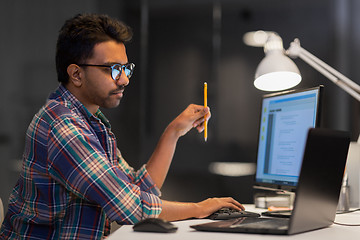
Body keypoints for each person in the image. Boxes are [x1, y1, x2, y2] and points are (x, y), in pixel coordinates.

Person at [0, 13, 244, 239]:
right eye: (113, 69)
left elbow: (138, 189)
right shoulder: (64, 126)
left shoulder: (91, 121)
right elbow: (126, 206)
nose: (125, 79)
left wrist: (174, 132)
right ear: (76, 74)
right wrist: (200, 208)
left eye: (126, 68)